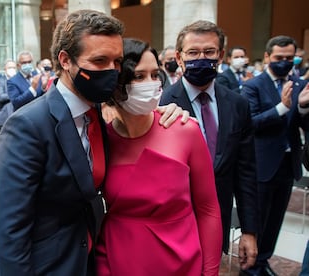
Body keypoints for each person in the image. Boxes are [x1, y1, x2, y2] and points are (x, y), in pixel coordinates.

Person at [0, 9, 187, 276]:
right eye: (99, 61)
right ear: (66, 60)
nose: (111, 71)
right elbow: (8, 231)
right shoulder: (27, 125)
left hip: (90, 258)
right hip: (46, 267)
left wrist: (169, 111)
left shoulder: (98, 111)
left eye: (116, 61)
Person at [95, 37, 222, 275]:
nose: (150, 84)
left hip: (181, 258)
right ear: (116, 82)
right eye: (139, 76)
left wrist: (210, 271)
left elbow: (208, 209)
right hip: (118, 259)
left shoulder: (185, 130)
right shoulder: (102, 138)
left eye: (155, 75)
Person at [159, 20, 259, 271]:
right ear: (180, 58)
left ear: (221, 55)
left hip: (218, 222)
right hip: (171, 226)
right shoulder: (160, 103)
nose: (201, 58)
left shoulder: (237, 104)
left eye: (209, 52)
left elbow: (245, 171)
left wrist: (249, 230)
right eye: (193, 53)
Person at [241, 35, 309, 276]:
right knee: (257, 221)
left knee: (275, 221)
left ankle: (264, 260)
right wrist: (281, 107)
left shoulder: (299, 84)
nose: (284, 62)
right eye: (279, 58)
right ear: (268, 57)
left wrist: (301, 106)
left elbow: (302, 123)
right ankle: (250, 266)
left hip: (287, 164)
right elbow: (251, 123)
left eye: (290, 58)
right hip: (262, 164)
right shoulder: (253, 85)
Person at [0, 59, 16, 127]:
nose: (12, 69)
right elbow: (0, 97)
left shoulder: (18, 80)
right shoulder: (0, 81)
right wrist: (15, 95)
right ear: (5, 69)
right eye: (10, 68)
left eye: (13, 67)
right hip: (6, 113)